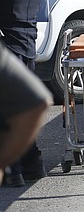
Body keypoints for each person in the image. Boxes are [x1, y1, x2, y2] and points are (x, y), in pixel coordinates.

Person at [0, 0, 47, 186]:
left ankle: (14, 170)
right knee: (24, 106)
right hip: (28, 43)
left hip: (7, 44)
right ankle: (33, 164)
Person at [0, 43, 51, 188]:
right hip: (25, 41)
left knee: (8, 111)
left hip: (11, 40)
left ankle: (13, 171)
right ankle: (31, 165)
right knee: (20, 107)